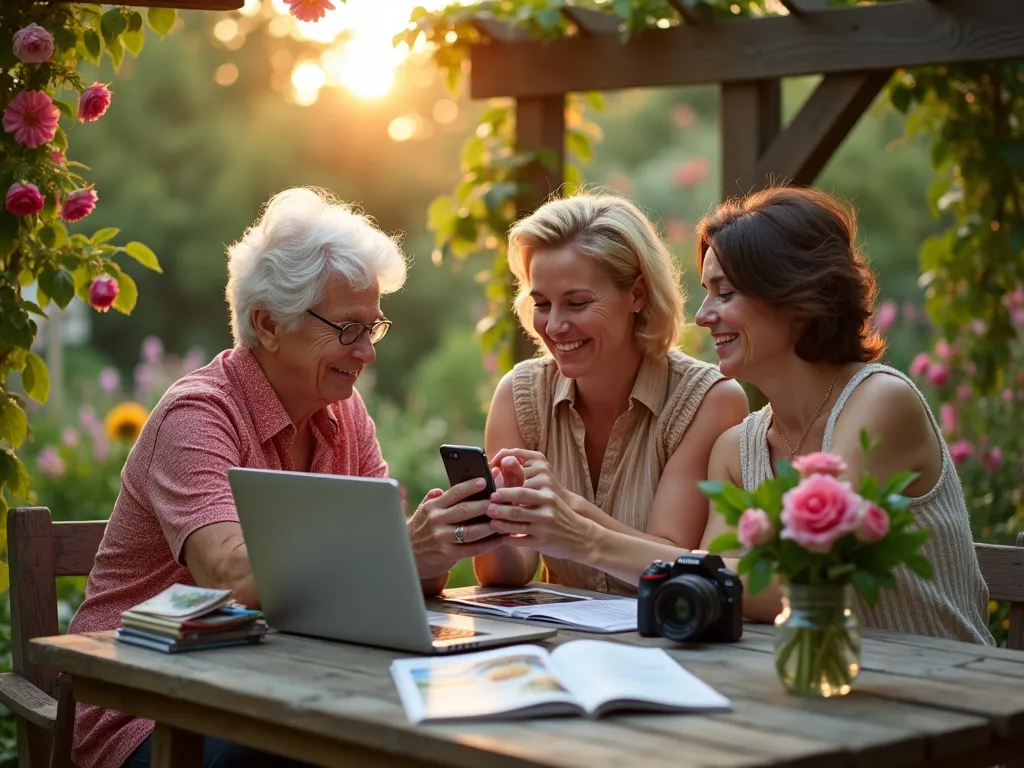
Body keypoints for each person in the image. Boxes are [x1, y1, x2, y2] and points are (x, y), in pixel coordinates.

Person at [68, 188, 509, 768]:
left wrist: (438, 543)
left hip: (277, 684)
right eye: (349, 329)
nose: (367, 354)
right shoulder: (197, 415)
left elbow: (379, 583)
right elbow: (230, 576)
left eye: (372, 329)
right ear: (267, 324)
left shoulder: (344, 413)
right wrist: (402, 545)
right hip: (149, 704)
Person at [693, 186, 993, 644]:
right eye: (705, 293)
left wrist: (596, 543)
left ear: (796, 299)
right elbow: (714, 583)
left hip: (945, 694)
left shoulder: (882, 403)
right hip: (808, 694)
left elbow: (808, 579)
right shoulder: (736, 450)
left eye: (725, 293)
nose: (701, 316)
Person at [474, 192, 749, 594]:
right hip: (567, 645)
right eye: (543, 303)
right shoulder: (519, 394)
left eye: (577, 303)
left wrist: (566, 511)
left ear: (637, 295)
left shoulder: (708, 399)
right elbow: (508, 572)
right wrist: (490, 521)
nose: (554, 326)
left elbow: (676, 557)